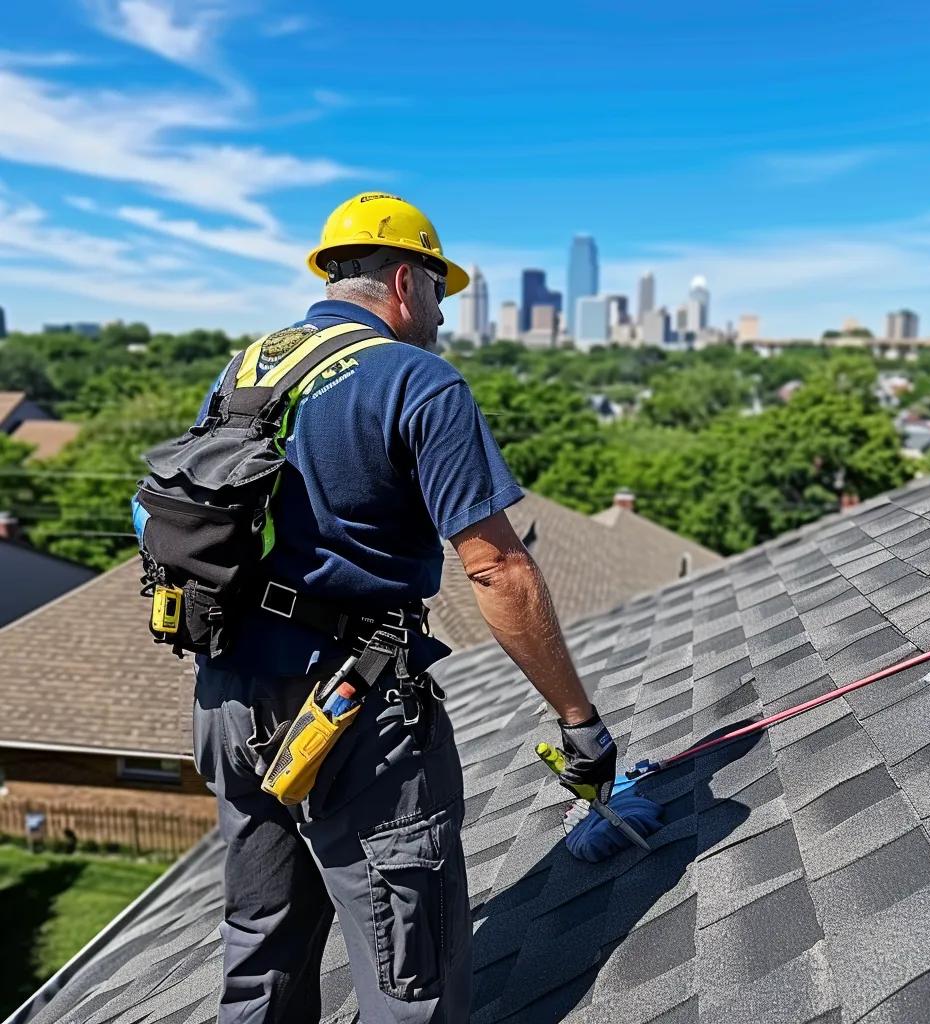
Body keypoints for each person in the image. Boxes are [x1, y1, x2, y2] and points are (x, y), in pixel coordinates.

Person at [191, 192, 617, 1023]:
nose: (443, 314)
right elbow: (496, 569)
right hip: (349, 717)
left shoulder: (247, 370)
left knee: (262, 949)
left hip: (228, 698)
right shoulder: (418, 381)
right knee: (408, 977)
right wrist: (581, 724)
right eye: (439, 291)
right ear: (403, 281)